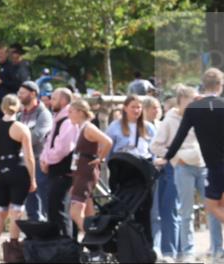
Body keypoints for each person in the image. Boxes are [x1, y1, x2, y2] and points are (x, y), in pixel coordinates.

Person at [163, 68, 224, 258]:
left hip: (213, 167)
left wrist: (166, 157)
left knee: (212, 206)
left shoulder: (194, 109)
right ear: (220, 85)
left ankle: (215, 250)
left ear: (203, 85)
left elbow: (179, 138)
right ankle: (218, 250)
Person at [152, 87, 202, 261]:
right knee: (179, 211)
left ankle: (189, 250)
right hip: (178, 168)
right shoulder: (170, 120)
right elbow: (156, 146)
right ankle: (178, 251)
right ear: (180, 101)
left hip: (201, 165)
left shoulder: (200, 117)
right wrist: (176, 157)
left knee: (211, 209)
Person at [0, 95, 37, 259]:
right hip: (17, 169)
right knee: (16, 210)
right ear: (19, 108)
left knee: (0, 210)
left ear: (2, 107)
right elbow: (29, 157)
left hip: (0, 170)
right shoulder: (21, 128)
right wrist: (33, 178)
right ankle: (13, 248)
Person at [66, 99, 113, 236]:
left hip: (86, 172)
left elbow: (108, 141)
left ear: (80, 112)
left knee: (75, 211)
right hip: (80, 172)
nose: (68, 115)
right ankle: (95, 242)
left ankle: (93, 238)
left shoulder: (89, 128)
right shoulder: (81, 128)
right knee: (88, 210)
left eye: (71, 112)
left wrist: (100, 158)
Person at [39, 88, 78, 238]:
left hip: (64, 173)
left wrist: (47, 161)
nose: (50, 101)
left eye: (54, 98)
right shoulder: (58, 118)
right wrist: (44, 159)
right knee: (55, 208)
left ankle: (66, 245)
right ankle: (59, 244)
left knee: (60, 209)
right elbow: (49, 142)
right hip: (55, 171)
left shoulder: (68, 120)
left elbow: (63, 148)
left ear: (63, 101)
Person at [145, 95, 179, 259]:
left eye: (158, 107)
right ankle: (157, 247)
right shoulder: (145, 127)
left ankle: (169, 248)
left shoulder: (161, 125)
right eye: (153, 107)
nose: (157, 110)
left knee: (167, 211)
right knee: (155, 213)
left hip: (166, 169)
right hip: (153, 170)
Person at [17, 80, 52, 222]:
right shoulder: (20, 115)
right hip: (24, 161)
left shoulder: (43, 114)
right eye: (19, 93)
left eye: (23, 93)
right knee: (30, 201)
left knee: (41, 198)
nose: (19, 96)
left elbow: (37, 136)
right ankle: (34, 234)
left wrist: (18, 140)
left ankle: (47, 233)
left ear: (33, 94)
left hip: (39, 161)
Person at [105, 95, 156, 160]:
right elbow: (109, 149)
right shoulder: (115, 126)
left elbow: (153, 149)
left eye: (138, 107)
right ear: (125, 108)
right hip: (122, 163)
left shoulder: (148, 127)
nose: (136, 110)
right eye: (133, 107)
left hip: (143, 164)